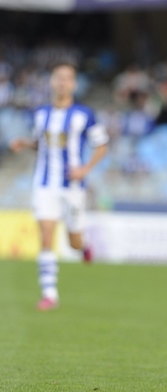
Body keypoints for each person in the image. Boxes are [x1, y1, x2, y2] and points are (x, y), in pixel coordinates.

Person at [10, 62, 109, 311]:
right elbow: (41, 142)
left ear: (74, 84)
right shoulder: (40, 113)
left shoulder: (84, 114)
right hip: (43, 184)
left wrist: (85, 169)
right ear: (51, 82)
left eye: (67, 78)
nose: (62, 82)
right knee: (46, 234)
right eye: (58, 78)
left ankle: (83, 247)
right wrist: (26, 143)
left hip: (72, 186)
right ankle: (49, 294)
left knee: (73, 240)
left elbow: (102, 145)